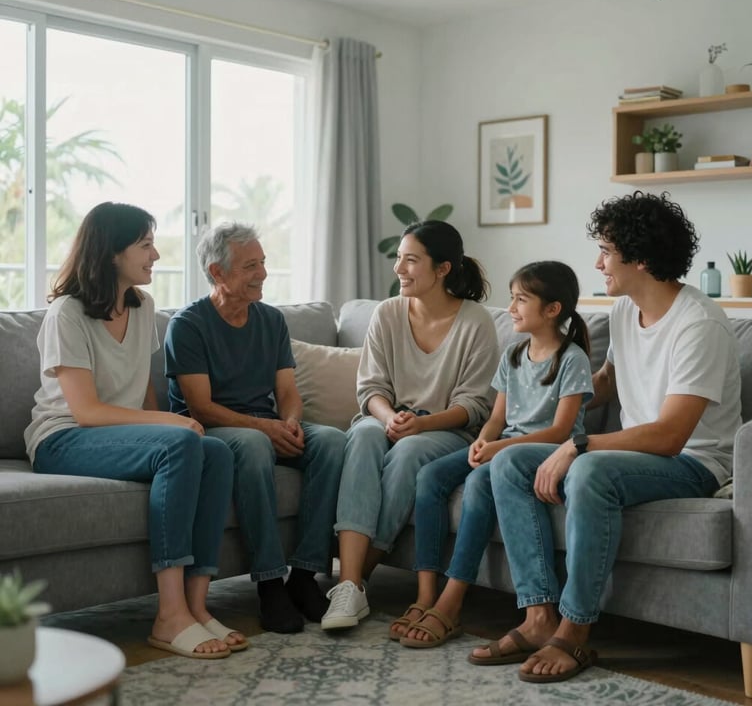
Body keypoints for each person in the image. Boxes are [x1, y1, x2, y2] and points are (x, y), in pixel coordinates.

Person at [470, 191, 741, 682]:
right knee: (510, 462)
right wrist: (538, 419)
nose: (597, 263)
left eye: (606, 251)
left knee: (590, 470)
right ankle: (538, 617)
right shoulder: (623, 312)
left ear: (639, 257)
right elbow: (602, 385)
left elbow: (670, 435)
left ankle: (574, 632)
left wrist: (575, 446)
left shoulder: (699, 325)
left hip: (695, 463)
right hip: (636, 452)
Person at [24, 202, 241, 660]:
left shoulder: (142, 306)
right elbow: (85, 411)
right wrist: (171, 426)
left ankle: (197, 606)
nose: (156, 255)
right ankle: (169, 615)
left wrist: (168, 428)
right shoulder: (66, 313)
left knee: (216, 452)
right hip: (62, 440)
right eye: (145, 245)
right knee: (183, 439)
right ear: (110, 253)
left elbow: (140, 387)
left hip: (115, 436)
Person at [398, 261, 593, 648]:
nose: (511, 308)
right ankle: (426, 593)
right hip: (503, 445)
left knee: (477, 484)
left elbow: (559, 430)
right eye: (512, 298)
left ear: (552, 309)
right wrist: (481, 441)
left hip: (543, 452)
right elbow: (497, 417)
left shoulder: (572, 360)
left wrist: (498, 449)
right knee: (430, 477)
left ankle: (452, 601)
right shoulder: (514, 354)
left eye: (521, 300)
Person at [164, 222, 346, 634]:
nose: (262, 273)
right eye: (250, 266)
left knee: (333, 442)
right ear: (217, 272)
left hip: (264, 424)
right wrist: (265, 428)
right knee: (252, 444)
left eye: (262, 263)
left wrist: (291, 423)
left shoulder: (272, 321)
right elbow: (201, 407)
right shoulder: (188, 325)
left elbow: (287, 391)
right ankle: (269, 582)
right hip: (210, 432)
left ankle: (303, 576)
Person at [321, 220, 499, 631]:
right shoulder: (387, 313)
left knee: (408, 453)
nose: (399, 268)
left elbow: (474, 406)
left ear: (443, 269)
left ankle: (360, 574)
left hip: (445, 430)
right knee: (363, 434)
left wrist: (421, 425)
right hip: (389, 419)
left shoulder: (476, 322)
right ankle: (348, 584)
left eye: (411, 260)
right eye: (398, 258)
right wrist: (389, 417)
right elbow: (371, 389)